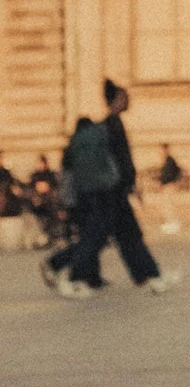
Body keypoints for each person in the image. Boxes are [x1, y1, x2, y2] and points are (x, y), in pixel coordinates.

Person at [46, 82, 181, 295]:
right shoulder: (112, 125)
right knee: (100, 236)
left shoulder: (107, 125)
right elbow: (121, 161)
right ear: (116, 99)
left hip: (112, 190)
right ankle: (72, 276)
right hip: (111, 192)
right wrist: (129, 184)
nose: (129, 101)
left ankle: (151, 275)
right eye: (124, 97)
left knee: (127, 235)